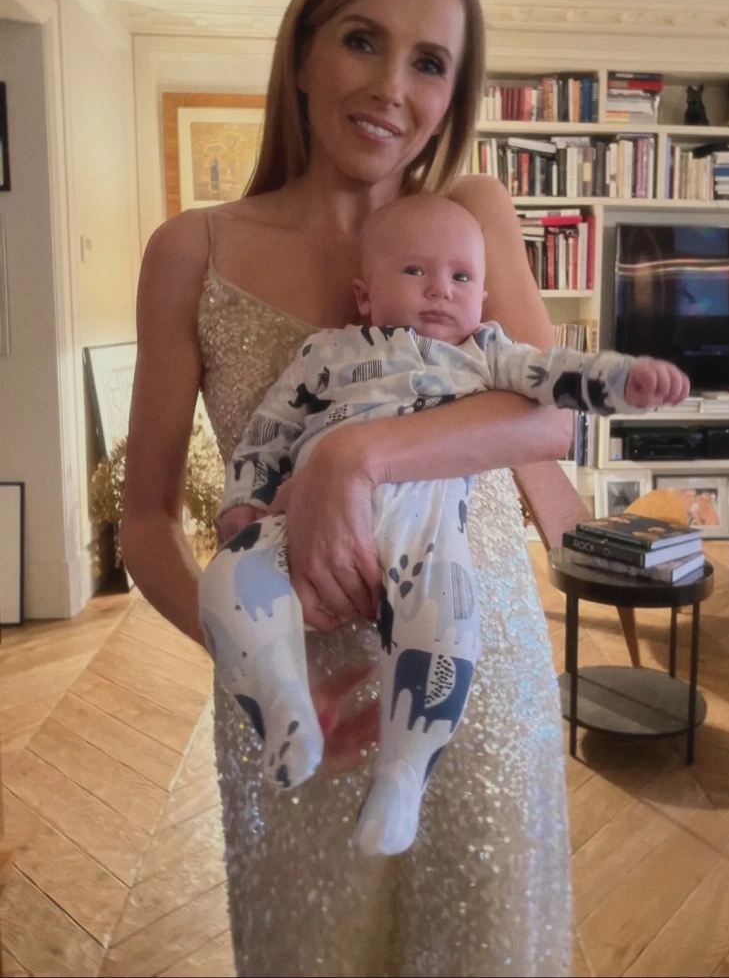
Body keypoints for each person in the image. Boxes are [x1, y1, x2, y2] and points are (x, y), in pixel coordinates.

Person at [122, 0, 689, 977]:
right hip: (301, 704)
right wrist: (252, 664)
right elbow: (145, 520)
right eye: (361, 40)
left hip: (474, 669)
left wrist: (356, 457)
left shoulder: (472, 216)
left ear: (452, 92)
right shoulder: (192, 249)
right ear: (301, 53)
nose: (391, 86)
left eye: (429, 62)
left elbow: (547, 419)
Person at [199, 193, 687, 858]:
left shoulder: (487, 353)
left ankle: (403, 777)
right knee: (228, 578)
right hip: (305, 515)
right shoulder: (327, 352)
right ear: (365, 294)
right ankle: (286, 709)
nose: (440, 289)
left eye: (461, 277)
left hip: (425, 530)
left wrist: (626, 380)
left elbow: (557, 375)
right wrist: (243, 501)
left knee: (447, 633)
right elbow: (269, 428)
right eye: (415, 272)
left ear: (482, 298)